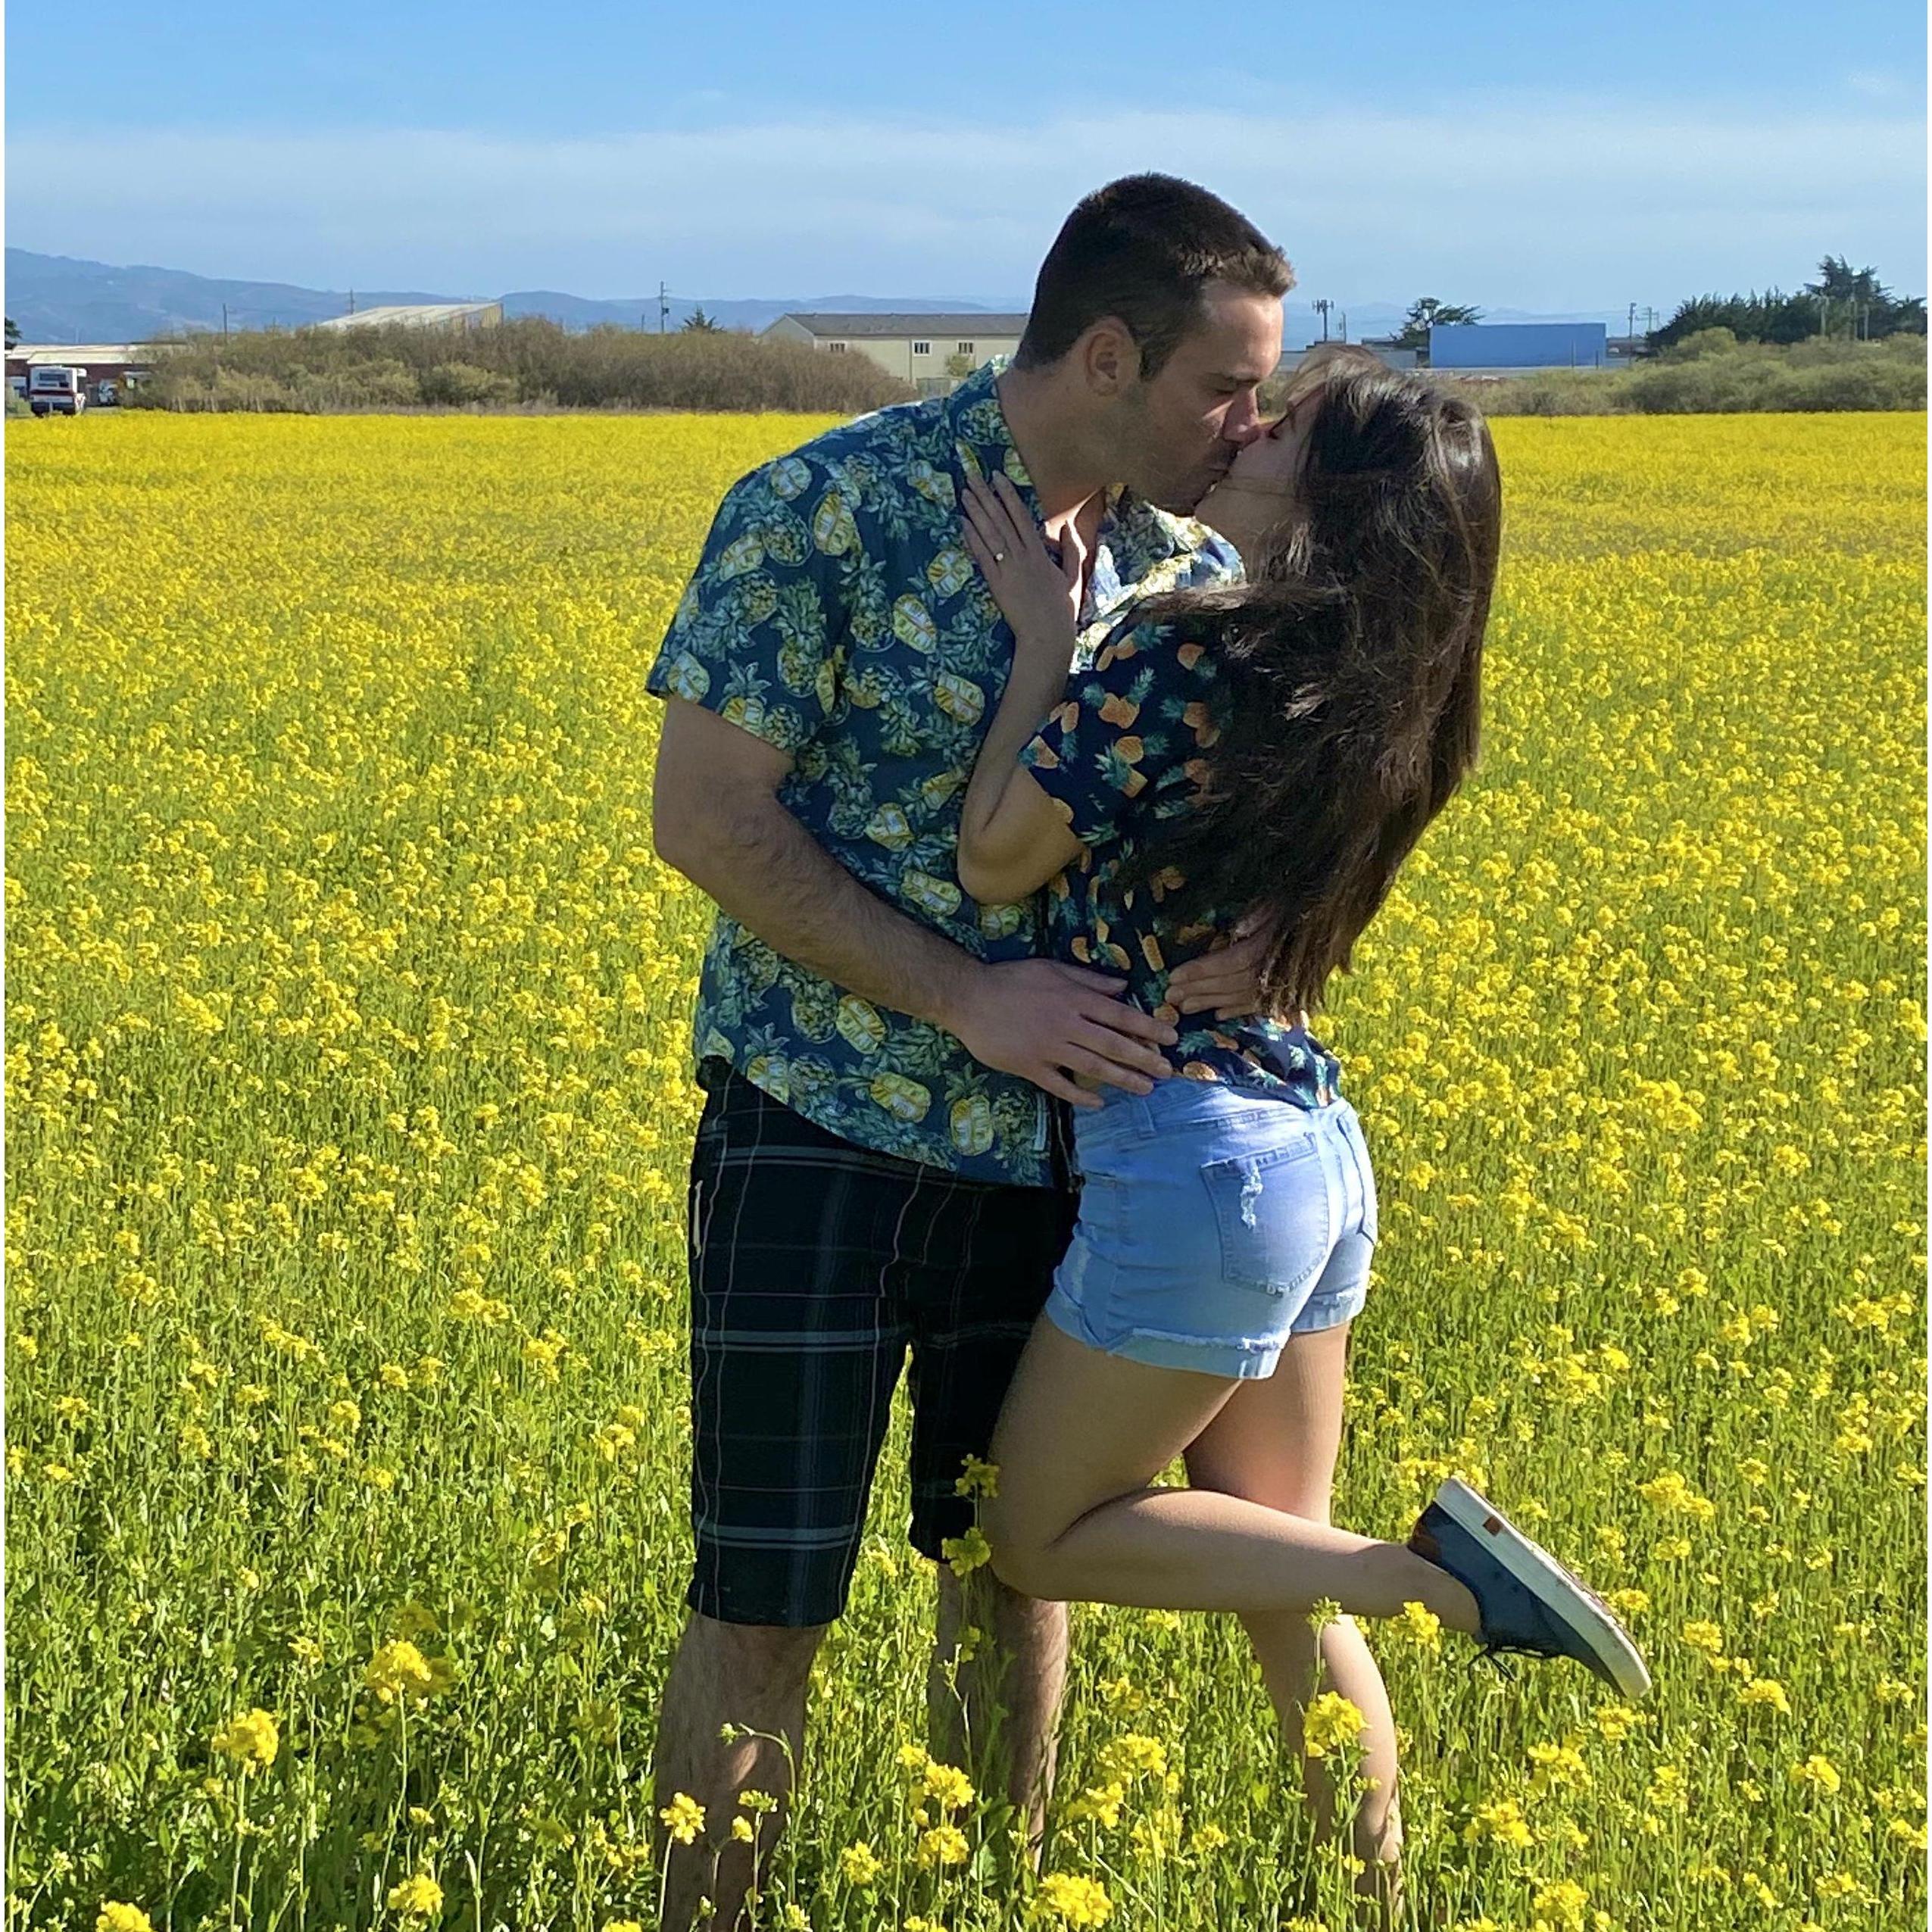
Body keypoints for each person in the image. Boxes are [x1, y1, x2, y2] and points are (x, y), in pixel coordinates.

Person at [645, 173, 1296, 1930]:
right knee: (765, 1597)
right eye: (1226, 387)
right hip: (819, 1122)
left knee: (1018, 1576)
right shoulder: (825, 509)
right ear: (1105, 351)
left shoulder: (1192, 563)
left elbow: (1218, 838)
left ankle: (975, 1905)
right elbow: (705, 820)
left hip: (1078, 1151)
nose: (1253, 426)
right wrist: (964, 995)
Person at [953, 345, 1650, 1922]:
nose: (1246, 429)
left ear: (1326, 503)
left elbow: (997, 858)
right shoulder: (1390, 696)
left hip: (1195, 1165)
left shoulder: (1186, 659)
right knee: (1276, 1562)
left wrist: (1046, 646)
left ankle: (1428, 1582)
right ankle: (1374, 1900)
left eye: (1284, 427)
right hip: (1305, 1145)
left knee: (1037, 1533)